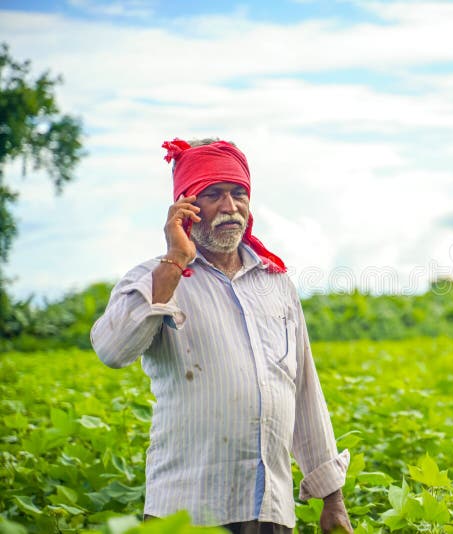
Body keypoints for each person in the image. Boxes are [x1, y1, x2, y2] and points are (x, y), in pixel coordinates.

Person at [90, 138, 353, 534]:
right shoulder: (155, 278)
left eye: (238, 194)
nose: (230, 207)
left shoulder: (276, 282)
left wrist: (332, 498)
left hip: (268, 510)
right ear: (185, 208)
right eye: (213, 195)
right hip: (186, 511)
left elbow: (303, 393)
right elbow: (112, 349)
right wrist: (175, 260)